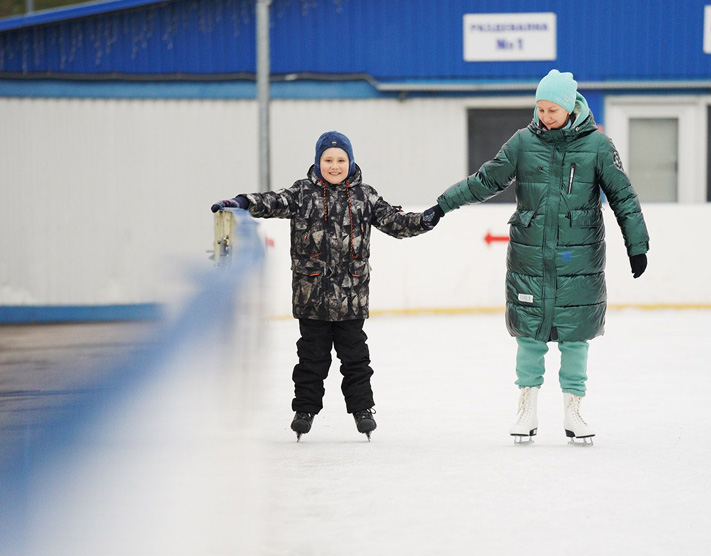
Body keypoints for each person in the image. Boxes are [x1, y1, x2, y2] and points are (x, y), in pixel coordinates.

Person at [432, 69, 649, 444]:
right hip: (530, 257)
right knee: (529, 335)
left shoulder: (598, 146)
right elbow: (486, 180)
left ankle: (574, 410)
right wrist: (442, 205)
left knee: (575, 337)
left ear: (570, 107)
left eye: (552, 109)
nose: (545, 116)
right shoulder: (523, 142)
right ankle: (527, 406)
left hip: (578, 261)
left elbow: (623, 197)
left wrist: (638, 245)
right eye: (540, 108)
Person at [211, 131, 442, 441]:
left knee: (356, 359)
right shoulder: (302, 194)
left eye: (341, 160)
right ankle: (304, 410)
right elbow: (271, 201)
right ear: (318, 162)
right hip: (312, 298)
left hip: (352, 297)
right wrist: (240, 202)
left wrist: (425, 219)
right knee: (311, 359)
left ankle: (362, 410)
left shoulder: (365, 196)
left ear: (351, 161)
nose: (335, 166)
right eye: (328, 160)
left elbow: (394, 222)